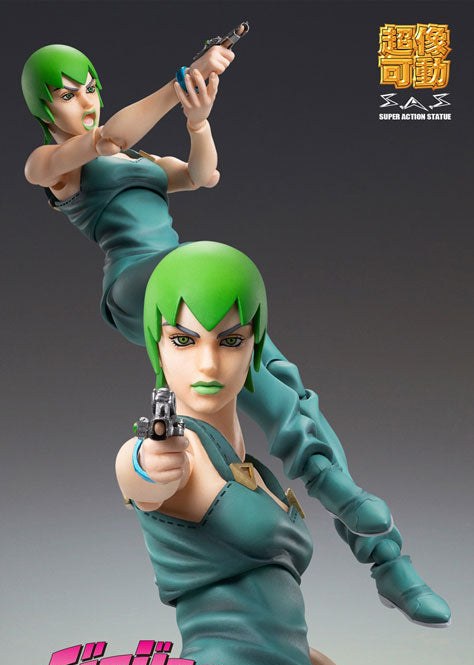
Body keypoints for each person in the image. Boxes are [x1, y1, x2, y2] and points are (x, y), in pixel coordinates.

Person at [21, 44, 450, 626]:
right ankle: (368, 533)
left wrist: (198, 121)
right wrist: (178, 85)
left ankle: (383, 554)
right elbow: (109, 138)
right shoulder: (51, 164)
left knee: (279, 382)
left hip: (193, 281)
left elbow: (204, 175)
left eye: (91, 87)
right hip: (140, 285)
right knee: (214, 277)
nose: (86, 102)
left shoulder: (140, 157)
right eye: (67, 95)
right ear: (43, 108)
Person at [116, 242, 452, 665]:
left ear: (255, 344)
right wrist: (145, 463)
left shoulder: (264, 480)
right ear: (157, 344)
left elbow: (283, 649)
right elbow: (139, 472)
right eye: (183, 339)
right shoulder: (179, 455)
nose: (207, 364)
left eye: (230, 341)